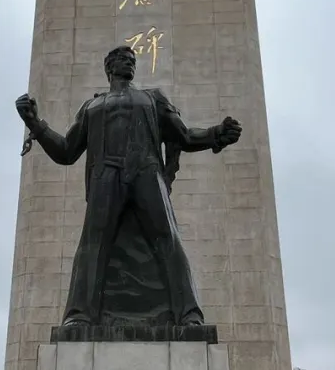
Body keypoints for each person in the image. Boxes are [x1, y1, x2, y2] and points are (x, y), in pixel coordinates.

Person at [16, 45, 241, 328]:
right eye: (123, 59)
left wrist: (216, 134)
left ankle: (189, 314)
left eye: (132, 60)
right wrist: (35, 124)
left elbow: (183, 135)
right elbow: (65, 151)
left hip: (146, 172)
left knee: (168, 239)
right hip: (105, 176)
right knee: (92, 245)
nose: (129, 63)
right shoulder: (91, 107)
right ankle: (79, 315)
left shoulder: (153, 98)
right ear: (109, 67)